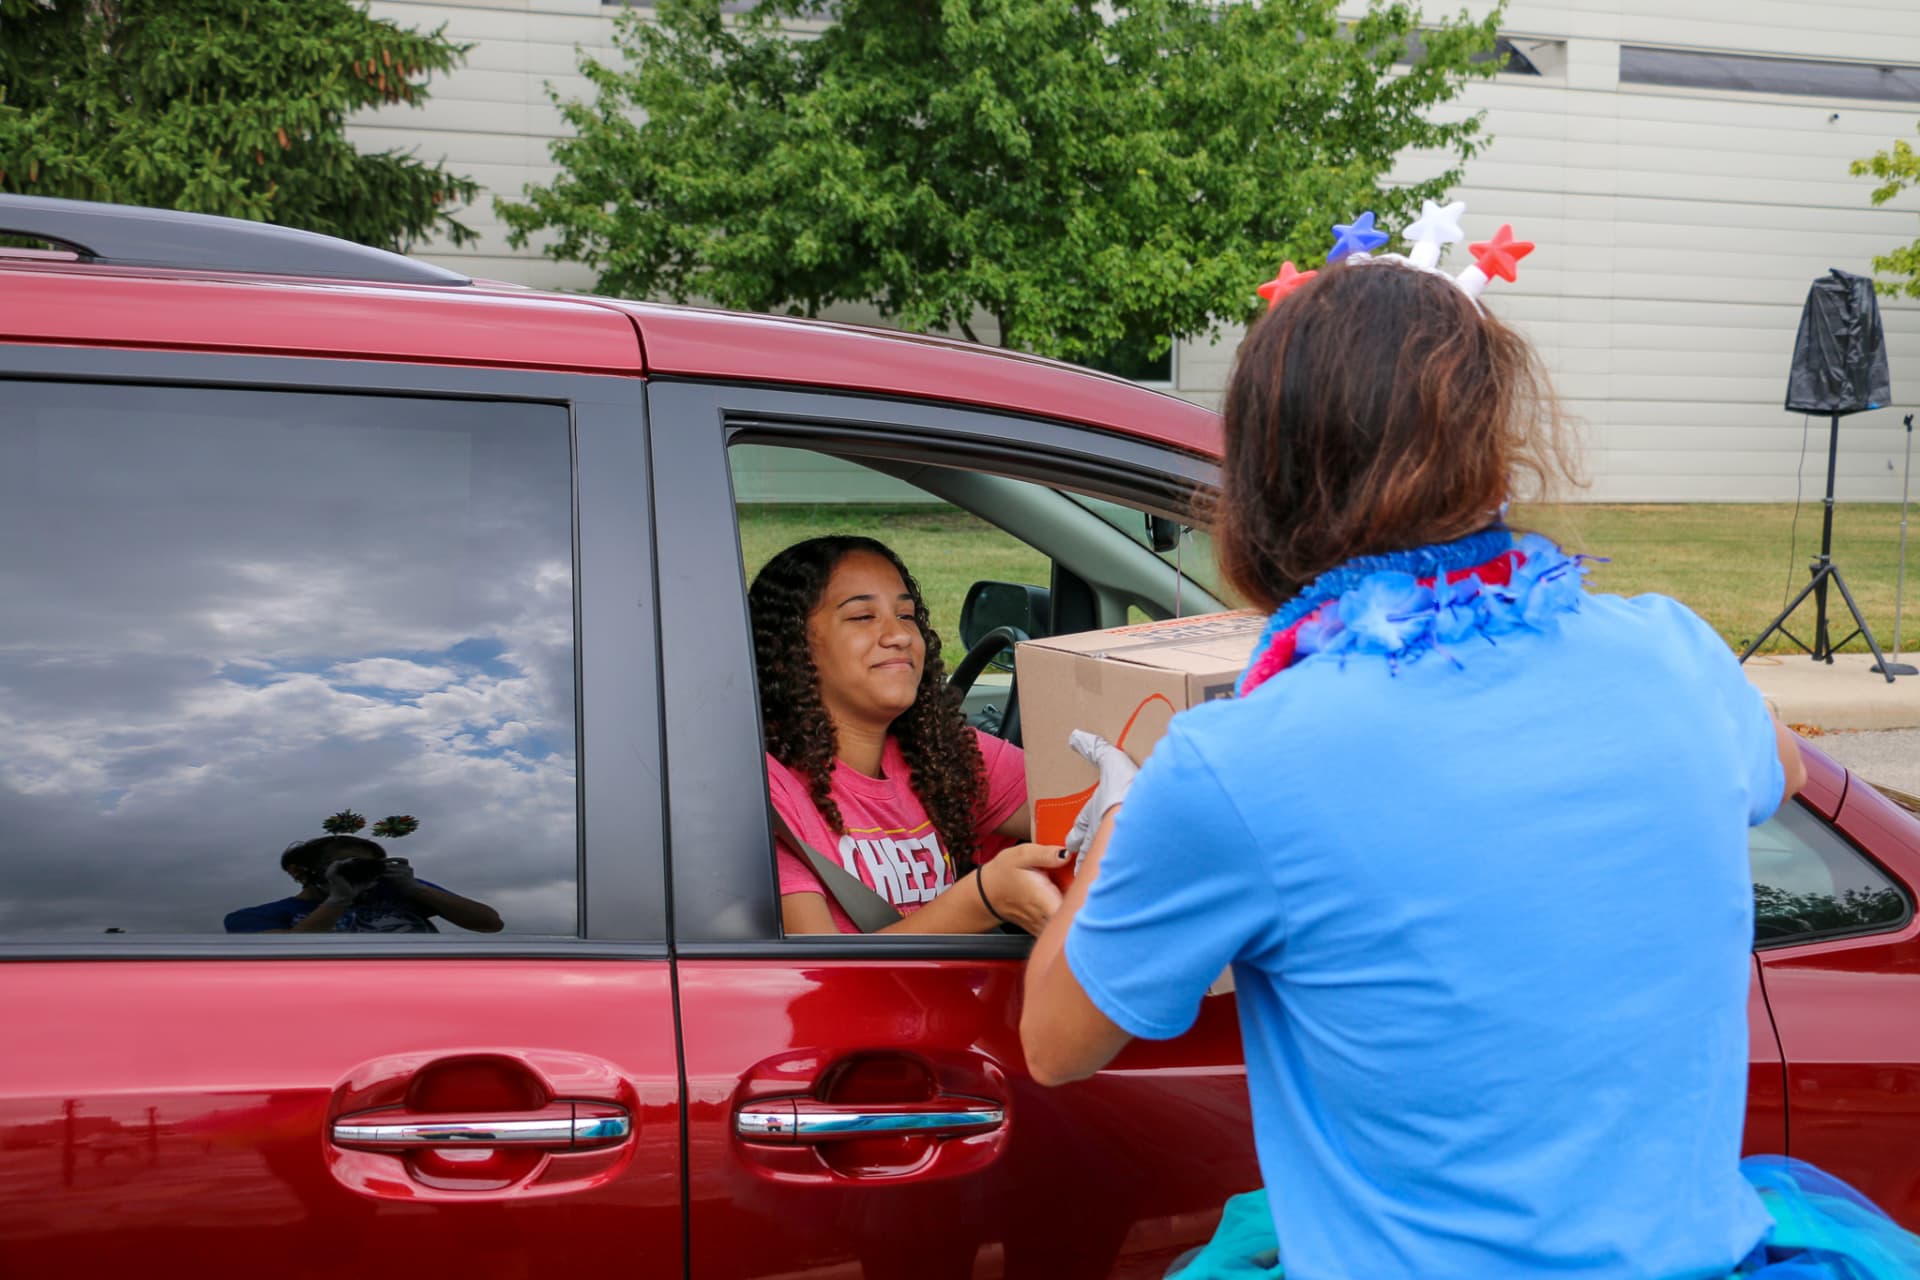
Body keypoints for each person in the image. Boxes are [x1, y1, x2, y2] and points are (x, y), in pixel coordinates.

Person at [1020, 228, 1920, 1278]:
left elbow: (1053, 1041)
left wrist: (1122, 818)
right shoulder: (1675, 653)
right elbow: (1788, 770)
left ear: (1261, 474)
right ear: (1492, 450)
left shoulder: (1235, 765)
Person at [749, 535, 1067, 935]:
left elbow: (1093, 809)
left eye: (906, 616)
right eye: (863, 617)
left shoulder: (942, 753)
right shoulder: (770, 795)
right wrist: (983, 901)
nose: (898, 635)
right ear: (789, 646)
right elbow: (824, 980)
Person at [224, 834, 503, 934]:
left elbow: (489, 923)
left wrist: (417, 889)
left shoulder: (403, 892)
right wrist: (337, 901)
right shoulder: (253, 918)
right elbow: (281, 957)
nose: (360, 872)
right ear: (299, 872)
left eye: (369, 865)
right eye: (347, 864)